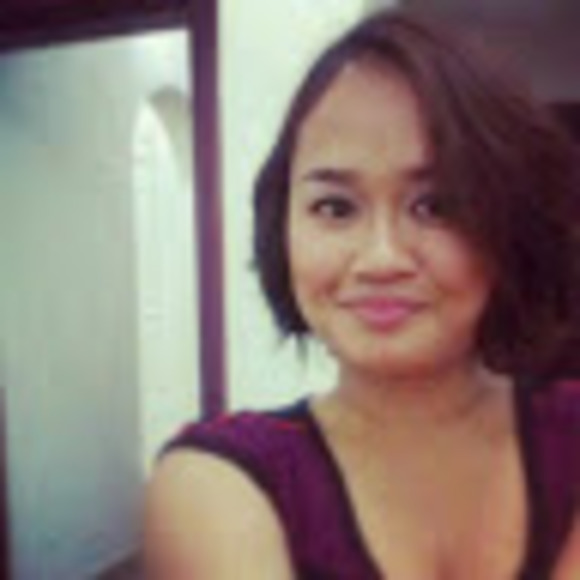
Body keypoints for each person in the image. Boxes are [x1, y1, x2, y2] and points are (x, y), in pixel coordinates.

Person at [144, 9, 580, 579]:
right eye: (335, 207)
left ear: (507, 227)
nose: (381, 259)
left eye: (435, 206)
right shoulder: (218, 481)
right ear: (282, 229)